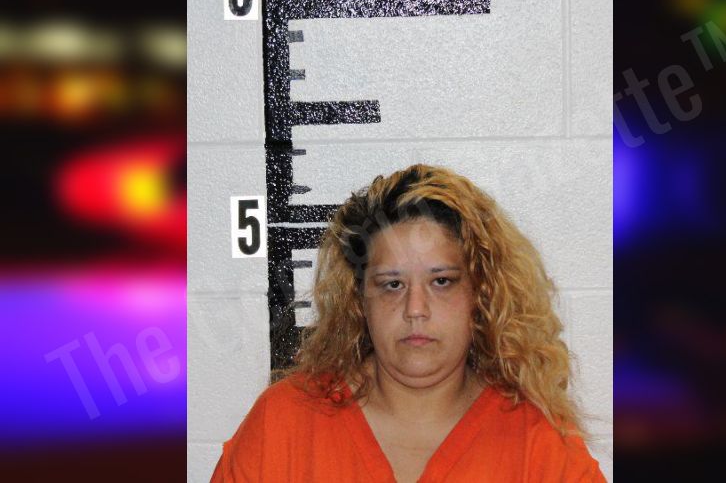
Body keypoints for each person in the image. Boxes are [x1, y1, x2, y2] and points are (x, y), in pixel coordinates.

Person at [211, 164, 606, 482]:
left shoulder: (539, 445)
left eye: (442, 282)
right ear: (359, 299)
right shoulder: (283, 425)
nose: (415, 309)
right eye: (392, 284)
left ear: (481, 294)